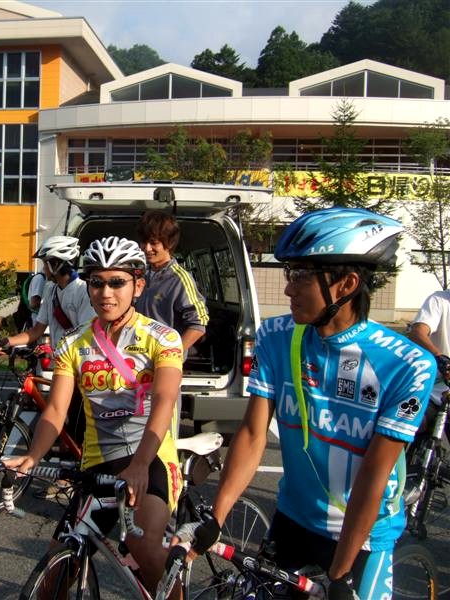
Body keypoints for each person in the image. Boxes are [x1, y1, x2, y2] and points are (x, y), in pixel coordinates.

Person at [188, 208, 436, 600]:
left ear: (346, 284)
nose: (288, 289)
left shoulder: (407, 364)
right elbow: (252, 434)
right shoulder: (276, 335)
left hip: (362, 537)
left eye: (302, 275)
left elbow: (373, 475)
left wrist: (341, 575)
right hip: (293, 519)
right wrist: (216, 518)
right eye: (290, 273)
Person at [5, 236, 184, 595]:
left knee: (144, 546)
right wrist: (33, 455)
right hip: (98, 462)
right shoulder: (73, 343)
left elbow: (165, 400)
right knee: (54, 575)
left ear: (138, 286)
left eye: (117, 282)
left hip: (149, 459)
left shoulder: (162, 338)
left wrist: (140, 464)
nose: (106, 293)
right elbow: (57, 409)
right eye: (97, 282)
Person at [0, 236, 96, 445]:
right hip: (62, 364)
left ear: (56, 263)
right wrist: (8, 341)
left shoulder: (83, 291)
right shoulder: (51, 290)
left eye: (45, 263)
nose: (43, 268)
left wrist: (56, 349)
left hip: (81, 366)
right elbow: (37, 330)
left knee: (76, 424)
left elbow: (86, 334)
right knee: (57, 416)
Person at [136, 210, 208, 359]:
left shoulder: (180, 279)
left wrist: (171, 355)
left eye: (153, 243)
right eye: (144, 242)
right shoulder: (141, 274)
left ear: (169, 243)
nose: (147, 248)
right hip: (138, 359)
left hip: (163, 363)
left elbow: (198, 325)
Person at [408, 290, 450, 440]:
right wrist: (440, 357)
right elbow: (417, 332)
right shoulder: (439, 300)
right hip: (432, 391)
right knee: (409, 425)